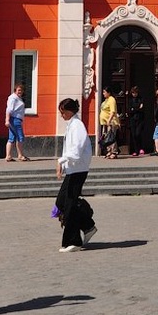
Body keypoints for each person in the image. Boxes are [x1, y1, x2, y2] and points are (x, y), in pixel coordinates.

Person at [55, 98, 97, 253]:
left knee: (70, 205)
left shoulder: (77, 126)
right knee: (62, 202)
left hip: (78, 169)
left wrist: (61, 161)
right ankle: (87, 225)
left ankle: (74, 241)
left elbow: (76, 150)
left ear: (69, 111)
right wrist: (63, 163)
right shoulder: (72, 125)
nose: (61, 115)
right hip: (73, 169)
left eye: (62, 112)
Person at [5, 83, 29, 162]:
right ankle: (20, 155)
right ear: (15, 90)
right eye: (19, 90)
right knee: (20, 137)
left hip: (15, 119)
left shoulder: (17, 98)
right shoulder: (13, 98)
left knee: (11, 138)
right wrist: (7, 120)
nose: (20, 91)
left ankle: (8, 156)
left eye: (21, 90)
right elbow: (9, 109)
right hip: (15, 120)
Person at [99, 86, 120, 159]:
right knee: (106, 138)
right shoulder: (106, 100)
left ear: (109, 93)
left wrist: (109, 120)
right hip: (104, 123)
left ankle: (114, 152)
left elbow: (112, 111)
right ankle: (109, 151)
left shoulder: (111, 99)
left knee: (111, 137)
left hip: (111, 122)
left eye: (104, 92)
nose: (103, 93)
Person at [127, 86, 145, 157]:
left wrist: (134, 109)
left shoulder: (141, 99)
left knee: (138, 134)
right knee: (134, 135)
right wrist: (138, 108)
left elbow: (142, 109)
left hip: (140, 119)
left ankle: (141, 148)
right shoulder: (130, 100)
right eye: (133, 93)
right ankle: (136, 150)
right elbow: (129, 110)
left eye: (135, 93)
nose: (134, 94)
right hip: (132, 120)